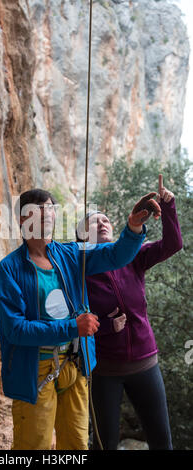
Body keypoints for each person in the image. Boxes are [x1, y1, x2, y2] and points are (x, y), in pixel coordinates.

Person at [0, 188, 161, 450]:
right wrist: (72, 327)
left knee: (77, 445)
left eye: (50, 208)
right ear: (23, 219)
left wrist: (133, 228)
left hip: (75, 364)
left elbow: (116, 255)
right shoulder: (9, 269)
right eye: (38, 208)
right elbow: (16, 329)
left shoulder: (71, 255)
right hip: (34, 370)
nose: (46, 213)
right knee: (33, 446)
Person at [79, 175, 182, 450]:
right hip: (104, 370)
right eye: (93, 222)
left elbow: (173, 245)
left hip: (145, 364)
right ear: (81, 237)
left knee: (162, 440)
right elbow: (70, 319)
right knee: (105, 444)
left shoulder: (134, 256)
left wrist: (168, 207)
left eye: (105, 221)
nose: (101, 223)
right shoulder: (78, 269)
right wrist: (102, 327)